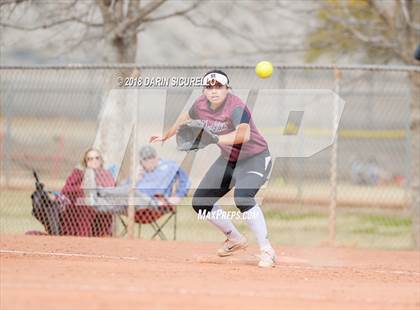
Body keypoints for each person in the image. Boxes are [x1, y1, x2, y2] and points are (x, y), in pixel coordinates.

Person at [150, 70, 276, 268]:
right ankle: (234, 238)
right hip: (229, 159)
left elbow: (244, 135)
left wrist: (216, 138)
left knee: (243, 198)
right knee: (201, 202)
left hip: (255, 158)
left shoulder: (236, 107)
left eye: (219, 87)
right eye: (209, 87)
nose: (214, 91)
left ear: (227, 89)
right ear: (204, 90)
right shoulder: (200, 104)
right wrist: (166, 136)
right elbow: (185, 116)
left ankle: (266, 250)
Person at [97, 145, 190, 210]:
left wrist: (179, 196)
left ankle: (101, 191)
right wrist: (134, 179)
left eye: (151, 157)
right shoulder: (140, 171)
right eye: (146, 159)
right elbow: (123, 187)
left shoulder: (170, 166)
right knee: (105, 206)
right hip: (135, 203)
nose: (149, 161)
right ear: (141, 160)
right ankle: (96, 202)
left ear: (156, 157)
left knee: (133, 193)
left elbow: (186, 180)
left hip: (156, 202)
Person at [60, 148, 115, 237]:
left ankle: (103, 234)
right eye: (90, 159)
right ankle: (84, 234)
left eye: (97, 158)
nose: (94, 161)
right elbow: (65, 190)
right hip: (78, 205)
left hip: (100, 203)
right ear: (85, 162)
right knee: (85, 199)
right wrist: (82, 189)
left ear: (101, 160)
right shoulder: (79, 172)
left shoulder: (106, 174)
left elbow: (111, 188)